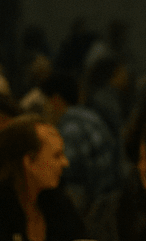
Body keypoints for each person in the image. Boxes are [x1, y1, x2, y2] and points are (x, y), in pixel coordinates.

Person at [40, 72, 121, 213]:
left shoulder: (70, 126)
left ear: (55, 100)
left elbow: (65, 168)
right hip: (111, 193)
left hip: (93, 199)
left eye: (45, 102)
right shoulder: (89, 115)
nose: (44, 109)